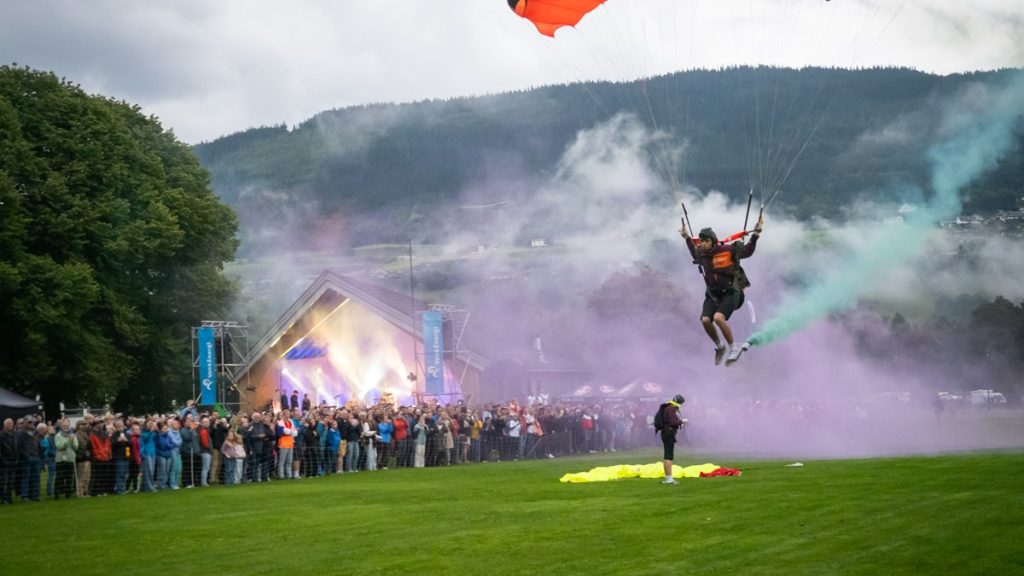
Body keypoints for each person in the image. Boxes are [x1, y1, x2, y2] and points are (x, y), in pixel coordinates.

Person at [680, 216, 762, 366]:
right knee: (705, 320)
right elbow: (693, 249)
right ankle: (720, 347)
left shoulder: (728, 250)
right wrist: (686, 236)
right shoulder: (702, 254)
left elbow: (748, 251)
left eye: (706, 241)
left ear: (713, 241)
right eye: (701, 241)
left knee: (718, 318)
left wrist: (755, 235)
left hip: (732, 292)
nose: (703, 244)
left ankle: (734, 348)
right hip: (713, 294)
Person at [657, 395, 686, 485]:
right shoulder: (671, 408)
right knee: (669, 456)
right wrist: (682, 421)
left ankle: (668, 478)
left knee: (667, 455)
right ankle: (669, 479)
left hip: (665, 432)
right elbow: (673, 422)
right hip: (669, 433)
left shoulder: (667, 407)